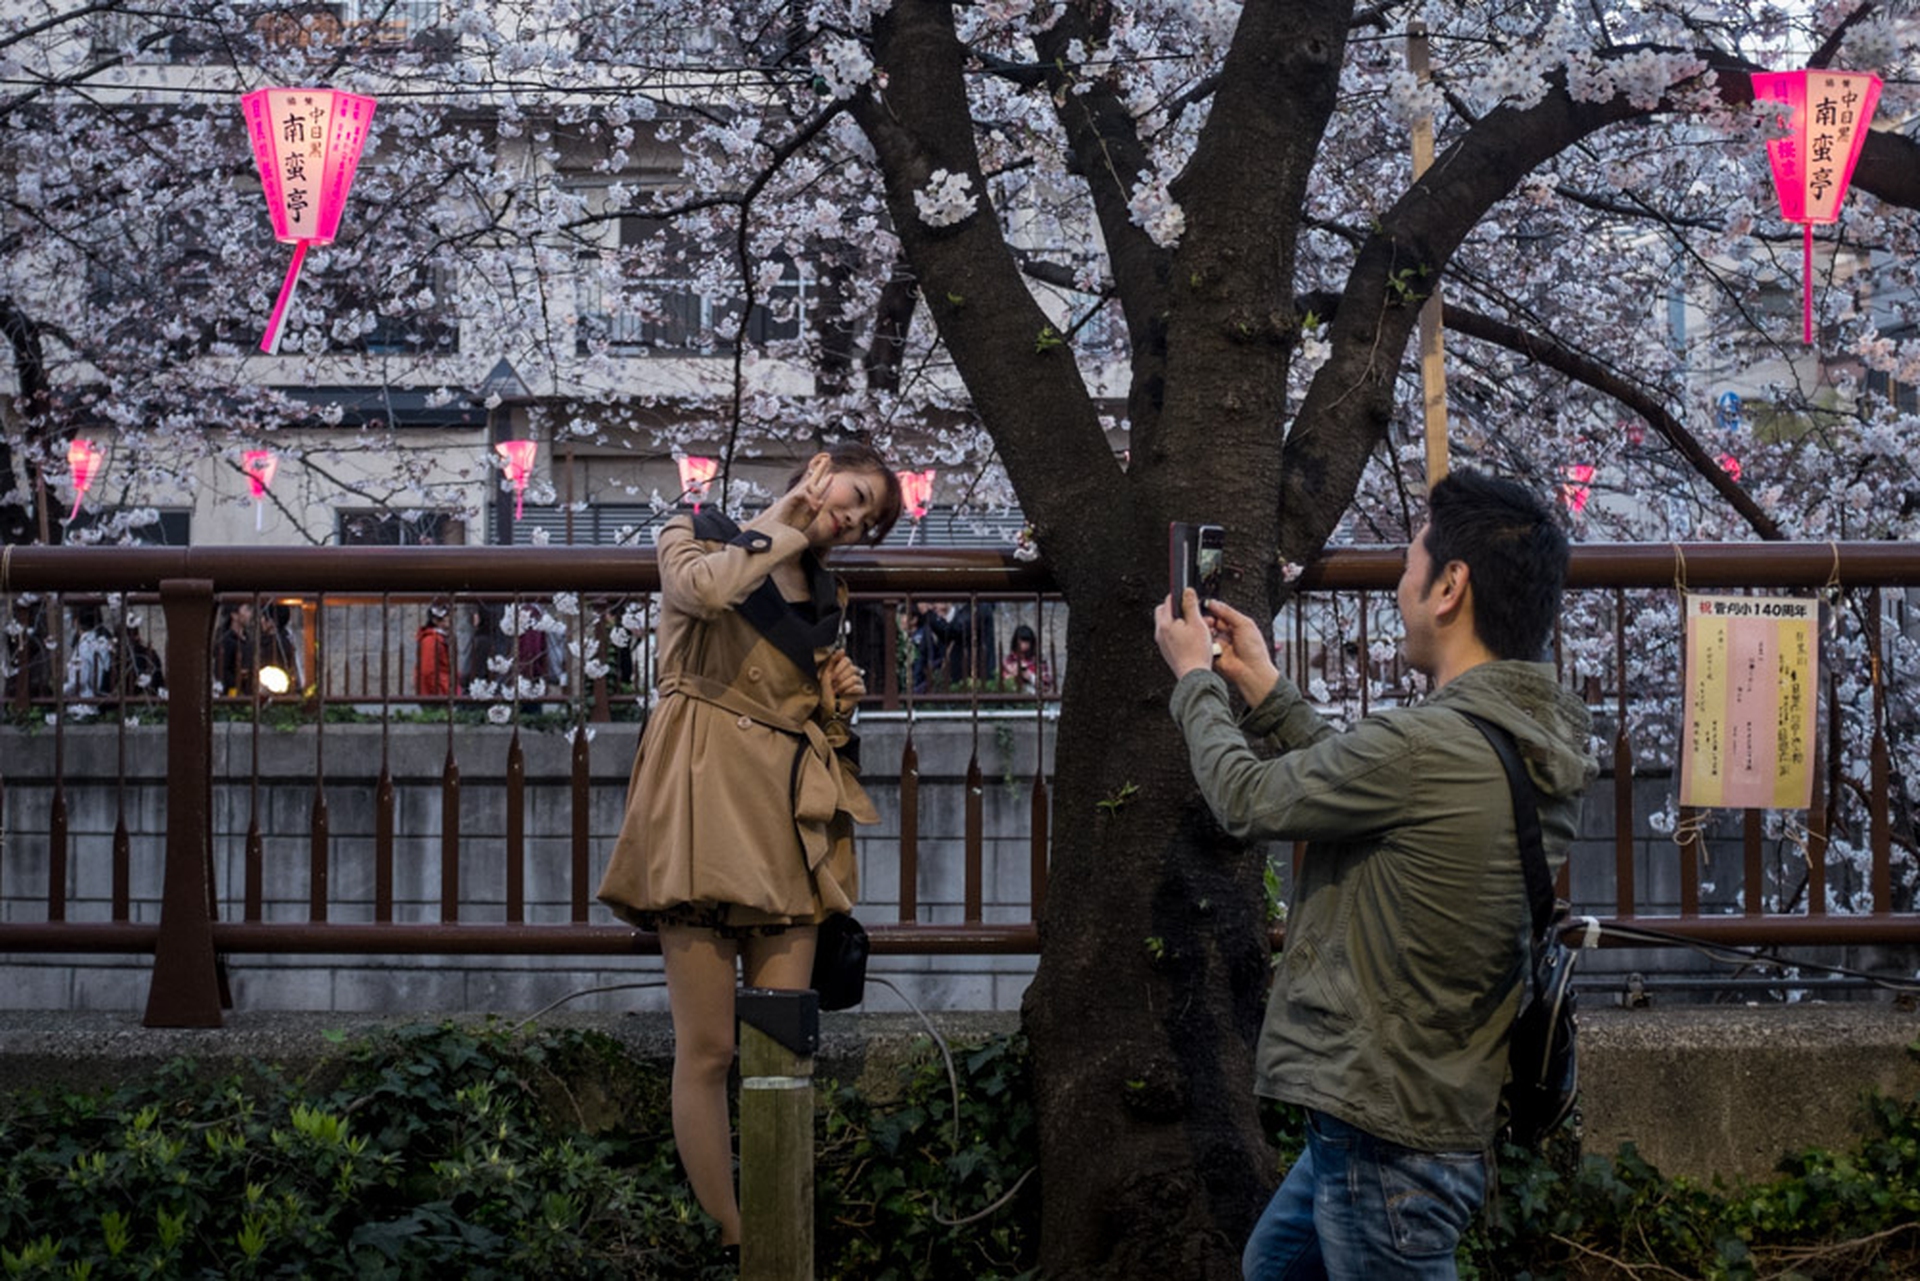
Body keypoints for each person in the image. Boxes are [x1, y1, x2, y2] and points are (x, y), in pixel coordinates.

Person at [1152, 469, 1596, 1280]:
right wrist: (1268, 690)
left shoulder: (1431, 744)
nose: (1398, 581)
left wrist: (1194, 683)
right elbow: (1375, 788)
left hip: (1386, 1122)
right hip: (1421, 1102)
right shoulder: (1518, 738)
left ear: (1450, 587)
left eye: (1409, 560)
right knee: (1274, 1269)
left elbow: (1249, 800)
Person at [596, 441, 903, 1260]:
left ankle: (777, 1224)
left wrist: (837, 707)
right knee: (709, 1047)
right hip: (698, 791)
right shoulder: (696, 526)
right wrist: (792, 523)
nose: (853, 514)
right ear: (821, 463)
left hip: (780, 815)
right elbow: (701, 591)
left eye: (867, 516)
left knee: (782, 1039)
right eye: (855, 492)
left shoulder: (828, 591)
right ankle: (743, 1238)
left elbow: (816, 723)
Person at [999, 622, 1054, 694]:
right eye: (1022, 641)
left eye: (1027, 642)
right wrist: (1013, 676)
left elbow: (1046, 686)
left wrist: (1030, 677)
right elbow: (1002, 684)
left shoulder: (1038, 661)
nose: (1024, 645)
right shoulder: (1008, 661)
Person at [216, 601, 256, 696]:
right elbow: (221, 670)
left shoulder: (248, 639)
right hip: (232, 692)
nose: (249, 614)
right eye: (246, 610)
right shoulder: (227, 641)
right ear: (234, 615)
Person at [416, 605, 453, 698]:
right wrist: (439, 693)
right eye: (446, 616)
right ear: (435, 621)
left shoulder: (438, 638)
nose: (450, 619)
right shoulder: (431, 640)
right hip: (436, 694)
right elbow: (428, 672)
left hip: (441, 690)